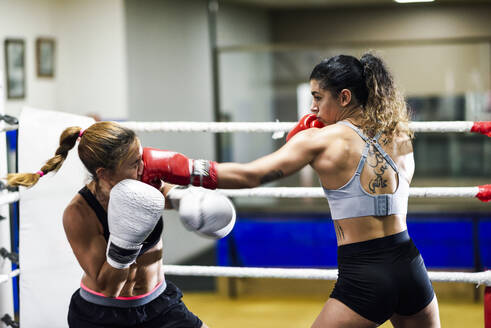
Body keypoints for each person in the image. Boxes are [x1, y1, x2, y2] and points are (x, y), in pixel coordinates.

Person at [140, 53, 441, 328]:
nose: (312, 107)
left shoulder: (321, 140)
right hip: (410, 266)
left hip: (366, 274)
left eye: (318, 97)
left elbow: (250, 176)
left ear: (345, 97)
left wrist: (176, 167)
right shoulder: (398, 133)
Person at [7, 121, 236, 328]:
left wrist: (191, 200)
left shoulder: (145, 182)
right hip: (103, 316)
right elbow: (109, 289)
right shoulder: (78, 213)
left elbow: (176, 194)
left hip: (159, 305)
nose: (144, 168)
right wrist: (126, 241)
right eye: (135, 163)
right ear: (104, 173)